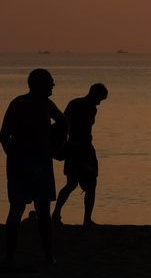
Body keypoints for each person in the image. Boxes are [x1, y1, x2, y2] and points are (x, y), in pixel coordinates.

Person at [2, 69, 66, 266]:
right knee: (30, 209)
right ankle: (43, 256)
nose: (53, 85)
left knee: (27, 209)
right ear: (39, 84)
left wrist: (55, 145)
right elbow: (4, 135)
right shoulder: (32, 104)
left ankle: (35, 255)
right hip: (32, 160)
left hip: (25, 160)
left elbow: (4, 136)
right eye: (50, 82)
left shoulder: (21, 103)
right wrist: (56, 145)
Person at [52, 83, 108, 226]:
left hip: (86, 148)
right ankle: (57, 214)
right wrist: (62, 145)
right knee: (73, 183)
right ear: (93, 93)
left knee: (88, 184)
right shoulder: (76, 104)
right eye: (100, 99)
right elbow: (63, 124)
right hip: (75, 147)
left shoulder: (92, 109)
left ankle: (85, 218)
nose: (99, 103)